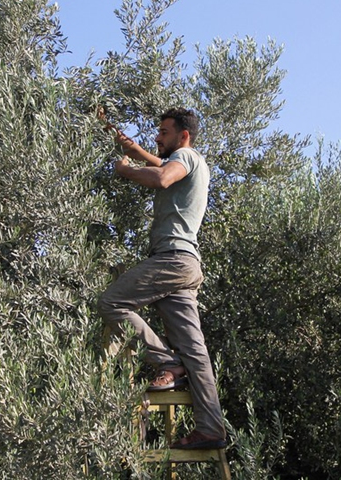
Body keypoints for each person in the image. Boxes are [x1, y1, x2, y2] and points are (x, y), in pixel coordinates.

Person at [98, 108, 227, 450]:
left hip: (172, 259)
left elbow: (161, 178)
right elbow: (156, 163)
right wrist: (125, 143)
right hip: (186, 267)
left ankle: (168, 363)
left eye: (164, 132)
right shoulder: (187, 160)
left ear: (183, 136)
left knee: (111, 302)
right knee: (195, 350)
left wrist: (126, 171)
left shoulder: (186, 156)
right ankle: (211, 428)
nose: (158, 137)